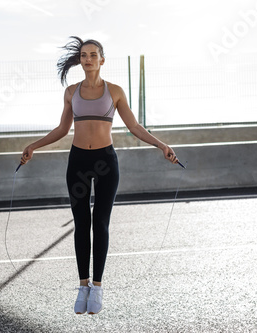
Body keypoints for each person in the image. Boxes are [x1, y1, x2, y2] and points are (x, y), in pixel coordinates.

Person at [20, 36, 179, 315]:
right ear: (80, 60)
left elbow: (134, 126)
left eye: (93, 55)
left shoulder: (115, 91)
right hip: (78, 161)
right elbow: (61, 130)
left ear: (102, 60)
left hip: (106, 160)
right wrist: (33, 146)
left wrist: (161, 145)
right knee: (81, 223)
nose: (88, 59)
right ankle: (83, 287)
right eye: (84, 55)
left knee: (101, 223)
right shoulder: (71, 92)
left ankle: (98, 286)